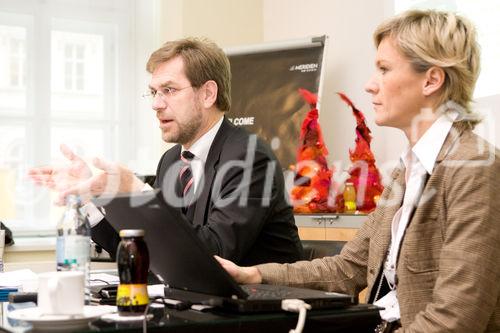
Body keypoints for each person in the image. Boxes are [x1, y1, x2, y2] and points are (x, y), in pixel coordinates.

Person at [216, 10, 500, 333]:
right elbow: (346, 268)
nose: (369, 85)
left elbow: (455, 320)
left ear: (432, 80)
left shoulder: (475, 170)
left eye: (384, 69)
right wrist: (255, 275)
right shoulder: (406, 171)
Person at [29, 38, 303, 266]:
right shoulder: (172, 161)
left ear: (207, 94)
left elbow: (214, 253)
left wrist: (139, 192)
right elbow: (143, 251)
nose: (156, 104)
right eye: (153, 92)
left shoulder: (250, 158)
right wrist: (89, 199)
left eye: (169, 90)